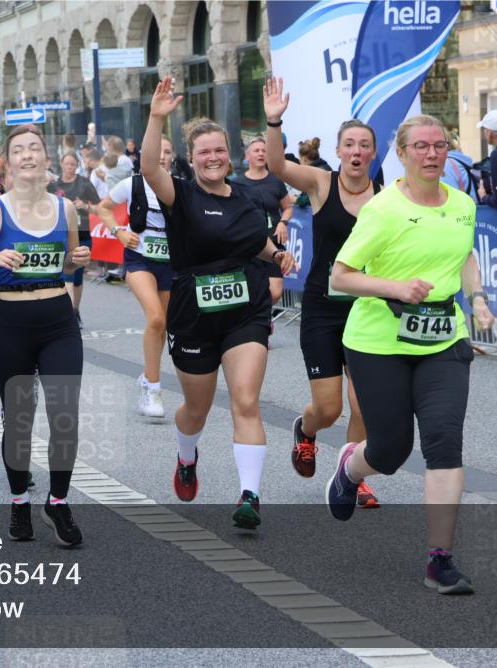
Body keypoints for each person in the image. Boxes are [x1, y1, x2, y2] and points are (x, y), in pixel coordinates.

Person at [328, 114, 495, 595]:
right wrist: (395, 287)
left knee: (444, 441)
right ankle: (350, 469)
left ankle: (439, 560)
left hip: (443, 339)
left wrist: (478, 297)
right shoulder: (382, 210)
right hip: (378, 342)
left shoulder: (462, 204)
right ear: (401, 154)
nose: (431, 154)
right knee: (392, 449)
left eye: (439, 146)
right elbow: (341, 276)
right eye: (420, 146)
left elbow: (462, 254)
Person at [142, 77, 296, 530]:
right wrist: (156, 117)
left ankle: (250, 495)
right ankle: (187, 455)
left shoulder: (248, 196)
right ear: (192, 159)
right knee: (197, 408)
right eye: (204, 152)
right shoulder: (181, 195)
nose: (213, 158)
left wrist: (276, 254)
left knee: (246, 401)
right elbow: (151, 166)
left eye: (219, 150)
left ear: (230, 154)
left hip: (246, 309)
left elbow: (258, 242)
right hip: (194, 314)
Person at [0, 124, 92, 546]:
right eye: (20, 150)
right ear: (7, 163)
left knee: (64, 414)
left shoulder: (65, 209)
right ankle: (19, 502)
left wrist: (77, 259)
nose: (29, 155)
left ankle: (58, 501)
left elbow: (70, 265)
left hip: (57, 318)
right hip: (9, 323)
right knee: (19, 420)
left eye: (36, 148)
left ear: (47, 160)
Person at [263, 77, 380, 508]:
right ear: (338, 150)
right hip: (323, 309)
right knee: (329, 408)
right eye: (348, 144)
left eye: (363, 145)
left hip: (368, 310)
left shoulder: (386, 198)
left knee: (363, 402)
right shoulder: (321, 183)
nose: (355, 151)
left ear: (372, 152)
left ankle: (354, 477)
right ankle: (306, 430)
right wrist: (274, 121)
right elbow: (277, 167)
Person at [99, 136, 176, 419]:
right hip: (139, 259)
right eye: (157, 151)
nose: (161, 156)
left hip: (170, 263)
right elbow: (103, 208)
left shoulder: (178, 186)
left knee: (163, 325)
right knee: (155, 318)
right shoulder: (132, 184)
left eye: (167, 152)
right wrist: (118, 231)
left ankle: (147, 376)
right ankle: (153, 390)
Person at [232, 137, 294, 306]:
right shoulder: (237, 183)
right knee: (251, 288)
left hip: (273, 244)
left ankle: (262, 315)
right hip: (248, 245)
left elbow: (288, 207)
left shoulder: (275, 181)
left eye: (264, 151)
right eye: (256, 150)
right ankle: (258, 320)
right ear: (247, 155)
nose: (261, 154)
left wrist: (283, 222)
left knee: (276, 291)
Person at [48, 151, 101, 325]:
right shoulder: (54, 185)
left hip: (82, 235)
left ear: (77, 166)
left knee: (77, 279)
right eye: (67, 164)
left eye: (73, 164)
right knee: (66, 277)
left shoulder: (84, 184)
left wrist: (85, 206)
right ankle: (68, 316)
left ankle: (75, 310)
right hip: (61, 236)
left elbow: (100, 207)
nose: (69, 167)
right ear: (62, 164)